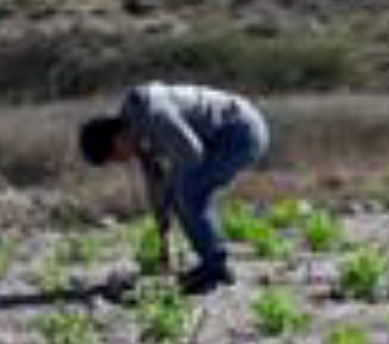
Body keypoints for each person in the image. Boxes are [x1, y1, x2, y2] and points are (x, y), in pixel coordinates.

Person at [78, 83, 271, 295]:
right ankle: (213, 265)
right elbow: (155, 183)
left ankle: (215, 268)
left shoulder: (153, 115)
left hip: (241, 132)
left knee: (188, 191)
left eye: (117, 157)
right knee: (183, 190)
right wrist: (164, 236)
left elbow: (192, 155)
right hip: (220, 137)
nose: (124, 161)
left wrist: (171, 187)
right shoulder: (137, 130)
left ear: (116, 138)